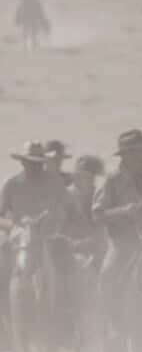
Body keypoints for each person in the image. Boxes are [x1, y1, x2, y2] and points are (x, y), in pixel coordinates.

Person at [93, 130, 142, 318]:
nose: (140, 156)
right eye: (134, 152)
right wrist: (124, 211)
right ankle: (110, 321)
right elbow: (97, 215)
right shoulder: (112, 180)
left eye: (141, 151)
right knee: (108, 274)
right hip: (123, 242)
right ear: (125, 155)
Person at [0, 141, 78, 332]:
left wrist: (64, 231)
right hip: (20, 242)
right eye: (31, 162)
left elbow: (72, 212)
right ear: (23, 162)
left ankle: (72, 317)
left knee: (73, 271)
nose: (35, 167)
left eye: (38, 163)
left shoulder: (55, 182)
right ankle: (6, 322)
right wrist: (15, 228)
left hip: (51, 239)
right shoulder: (11, 184)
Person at [69, 155, 107, 271]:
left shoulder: (101, 196)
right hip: (70, 249)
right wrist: (74, 243)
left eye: (86, 177)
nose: (80, 179)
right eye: (78, 175)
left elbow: (105, 225)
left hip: (98, 248)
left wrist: (96, 241)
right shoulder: (65, 197)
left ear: (93, 178)